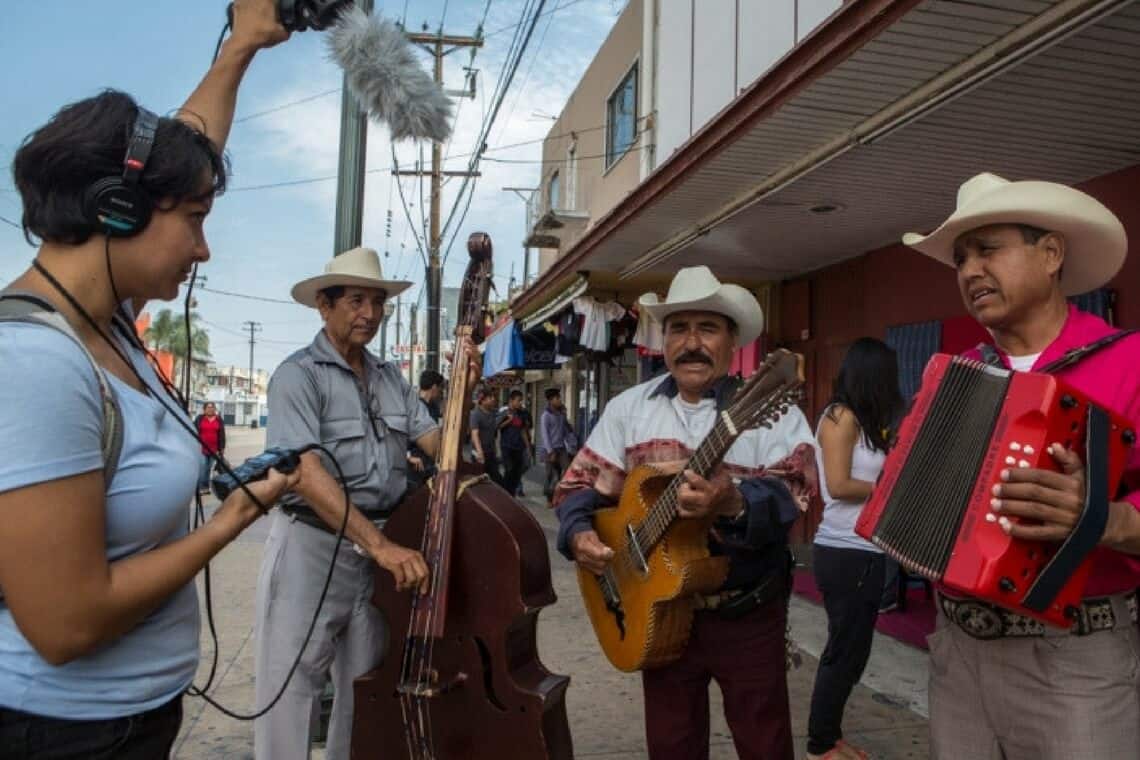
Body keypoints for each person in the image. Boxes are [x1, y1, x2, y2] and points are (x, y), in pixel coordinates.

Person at [0, 3, 295, 757]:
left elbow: (185, 150)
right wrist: (230, 522)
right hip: (64, 733)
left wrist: (243, 46)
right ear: (119, 212)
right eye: (195, 219)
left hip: (126, 720)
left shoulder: (110, 321)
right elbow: (67, 624)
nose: (203, 250)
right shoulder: (36, 364)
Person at [902, 172, 1140, 759]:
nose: (970, 271)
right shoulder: (958, 373)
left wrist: (1102, 519)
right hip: (956, 651)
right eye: (961, 259)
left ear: (1051, 253)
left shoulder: (1130, 361)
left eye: (989, 249)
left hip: (1073, 659)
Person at [553, 266, 817, 760]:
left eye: (708, 328)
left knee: (765, 744)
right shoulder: (629, 408)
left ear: (733, 340)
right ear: (665, 339)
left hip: (746, 612)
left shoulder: (769, 409)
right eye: (679, 328)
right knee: (672, 747)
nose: (691, 342)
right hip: (657, 611)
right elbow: (576, 487)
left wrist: (734, 500)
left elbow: (796, 493)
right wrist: (579, 533)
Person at [254, 247, 460, 760]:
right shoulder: (297, 376)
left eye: (377, 301)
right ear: (324, 306)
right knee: (291, 689)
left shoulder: (390, 377)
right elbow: (306, 472)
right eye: (355, 300)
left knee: (364, 689)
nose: (369, 313)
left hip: (377, 551)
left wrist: (465, 387)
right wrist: (381, 545)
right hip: (312, 545)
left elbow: (439, 442)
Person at [806, 337, 903, 760]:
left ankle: (830, 735)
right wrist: (893, 487)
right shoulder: (839, 417)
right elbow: (840, 486)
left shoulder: (865, 422)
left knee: (854, 653)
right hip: (845, 550)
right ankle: (820, 744)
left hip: (866, 549)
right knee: (844, 652)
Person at [406, 369, 444, 491]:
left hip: (430, 465)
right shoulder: (413, 406)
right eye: (440, 388)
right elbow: (397, 437)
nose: (440, 392)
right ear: (434, 387)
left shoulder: (434, 407)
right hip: (415, 467)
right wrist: (408, 456)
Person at [538, 387, 575, 504]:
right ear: (550, 400)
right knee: (550, 474)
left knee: (568, 470)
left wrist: (571, 445)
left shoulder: (561, 414)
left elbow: (565, 431)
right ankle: (549, 497)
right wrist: (550, 451)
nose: (560, 400)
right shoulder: (546, 416)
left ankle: (562, 495)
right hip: (550, 450)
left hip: (561, 448)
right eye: (557, 398)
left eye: (559, 398)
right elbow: (545, 435)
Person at [499, 389, 533, 498]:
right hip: (507, 447)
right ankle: (505, 494)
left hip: (519, 447)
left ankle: (511, 495)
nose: (520, 403)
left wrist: (528, 447)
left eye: (521, 401)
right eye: (518, 400)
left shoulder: (521, 413)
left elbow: (523, 430)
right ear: (511, 400)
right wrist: (509, 420)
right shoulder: (505, 412)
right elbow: (497, 427)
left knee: (517, 473)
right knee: (509, 470)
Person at [469, 387, 504, 488]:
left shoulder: (493, 412)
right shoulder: (476, 414)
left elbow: (496, 426)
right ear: (482, 400)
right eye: (490, 397)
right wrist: (480, 452)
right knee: (479, 481)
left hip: (491, 452)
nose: (493, 399)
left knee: (497, 479)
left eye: (493, 397)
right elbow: (474, 434)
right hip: (479, 454)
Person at [194, 401, 227, 494]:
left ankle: (206, 487)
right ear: (204, 409)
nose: (210, 409)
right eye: (208, 407)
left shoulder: (218, 419)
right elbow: (194, 430)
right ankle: (201, 487)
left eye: (212, 407)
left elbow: (222, 434)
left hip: (214, 449)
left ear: (215, 409)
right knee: (203, 467)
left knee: (209, 469)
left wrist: (222, 448)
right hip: (201, 449)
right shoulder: (199, 419)